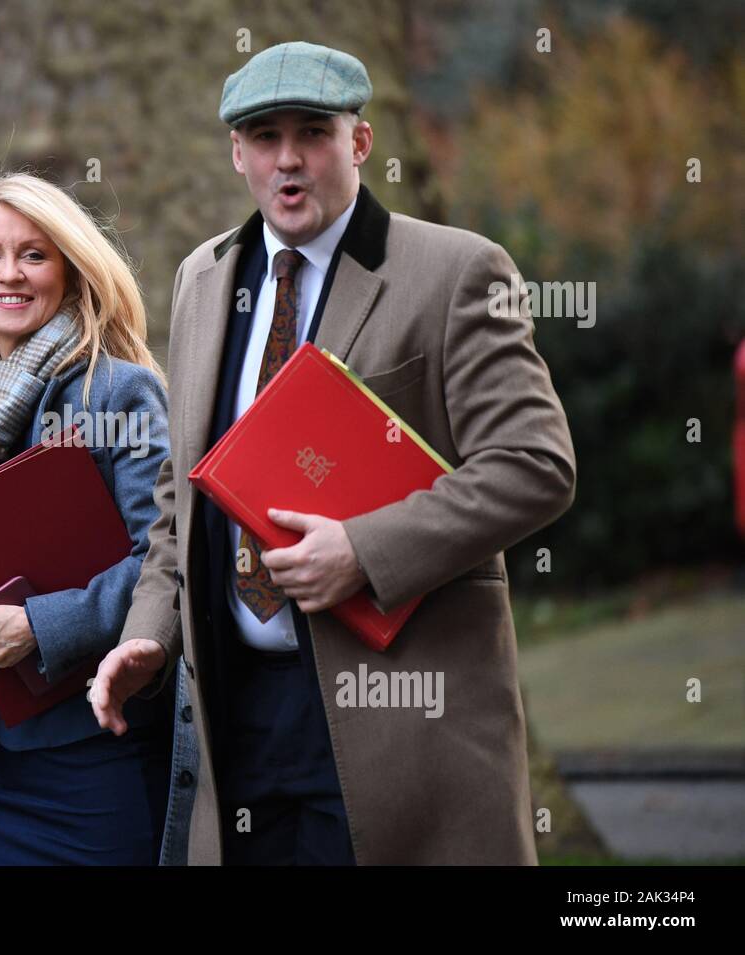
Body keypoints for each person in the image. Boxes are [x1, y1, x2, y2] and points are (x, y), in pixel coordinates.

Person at [92, 41, 577, 865]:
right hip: (238, 722)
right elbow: (182, 493)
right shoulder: (202, 277)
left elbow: (536, 463)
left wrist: (365, 550)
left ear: (359, 142)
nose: (289, 159)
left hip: (398, 724)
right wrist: (150, 631)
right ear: (236, 152)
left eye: (312, 133)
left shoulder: (456, 270)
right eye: (264, 135)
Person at [0, 172, 179, 865]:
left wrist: (40, 624)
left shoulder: (116, 389)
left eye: (33, 255)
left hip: (82, 766)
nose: (8, 275)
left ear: (70, 271)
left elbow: (162, 559)